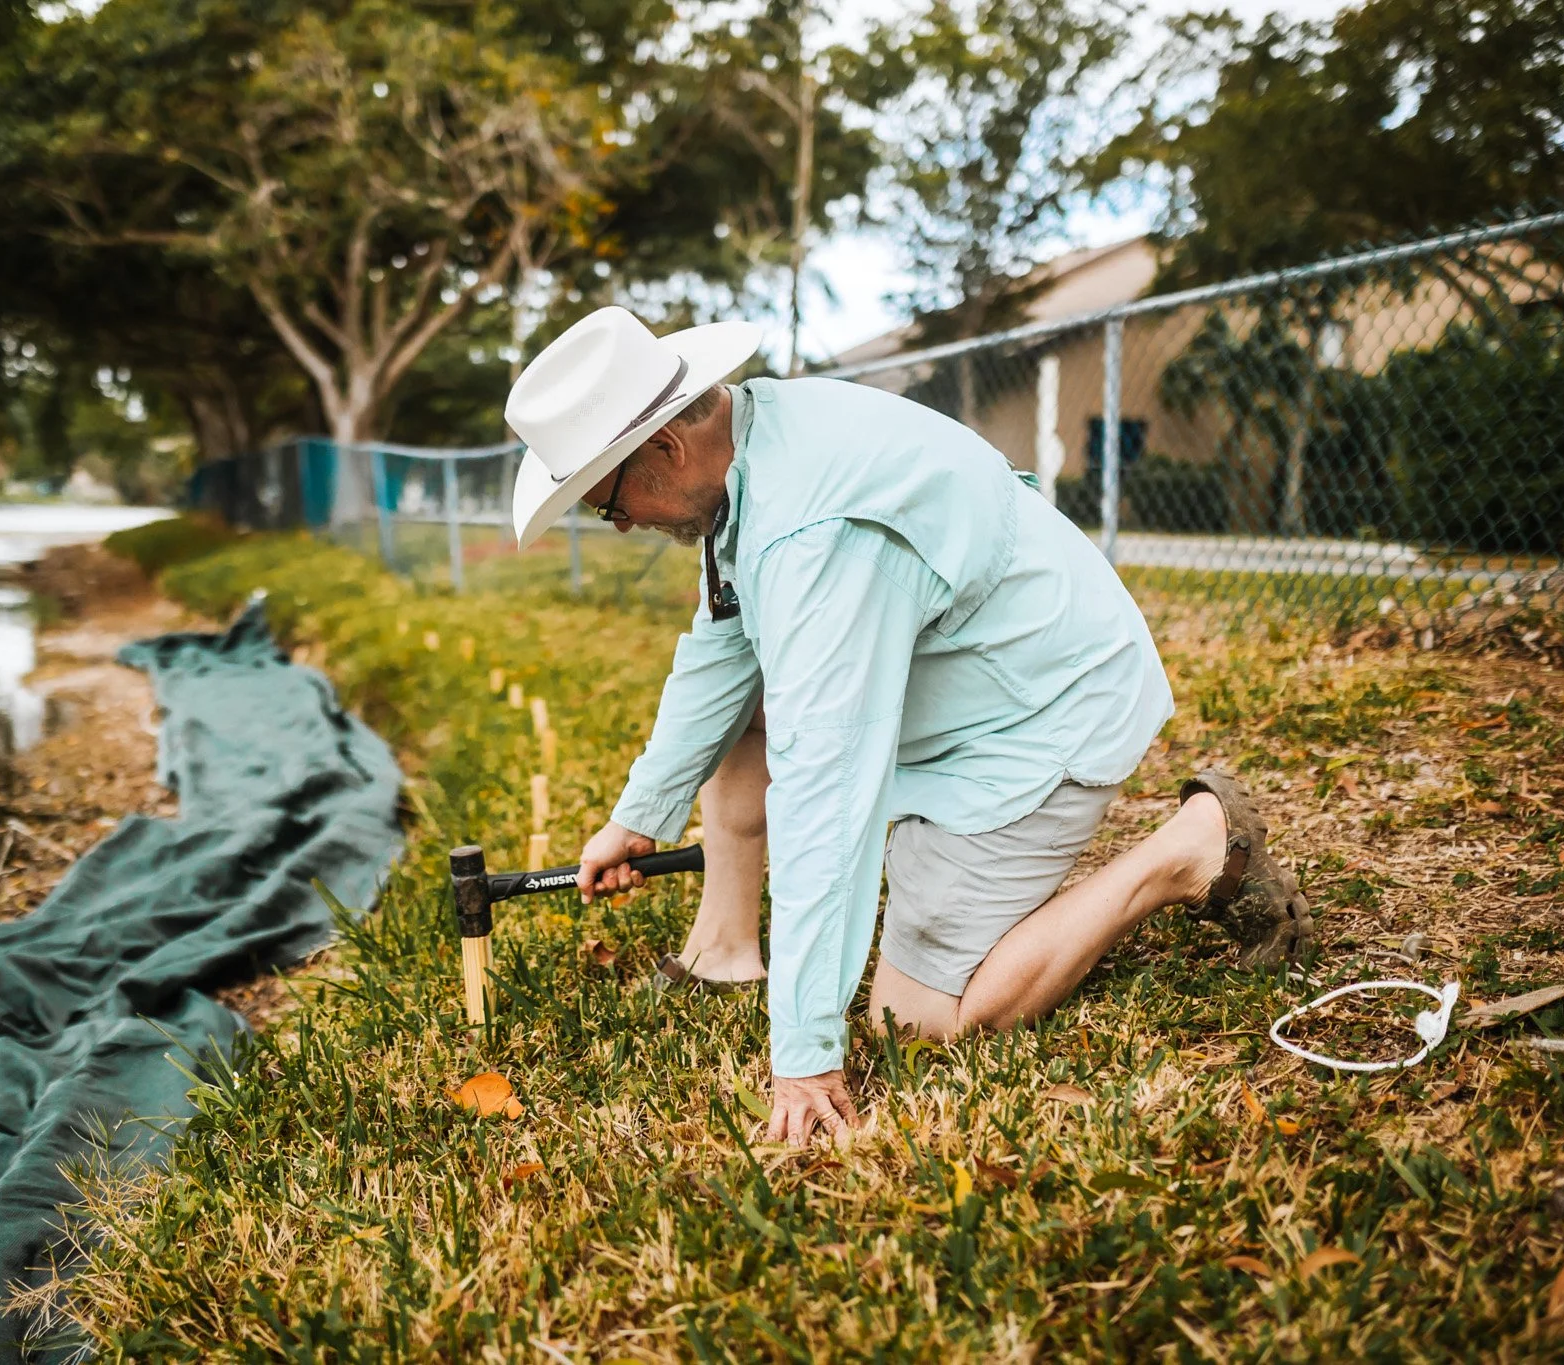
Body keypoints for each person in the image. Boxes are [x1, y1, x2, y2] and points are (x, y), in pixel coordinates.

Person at [503, 307, 1313, 1147]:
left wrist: (807, 1055)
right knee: (751, 696)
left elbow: (828, 789)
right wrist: (637, 818)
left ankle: (1185, 850)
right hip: (975, 682)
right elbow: (721, 646)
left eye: (608, 501)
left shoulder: (814, 535)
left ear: (666, 449)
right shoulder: (757, 444)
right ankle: (725, 948)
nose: (624, 522)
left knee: (918, 1020)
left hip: (1034, 717)